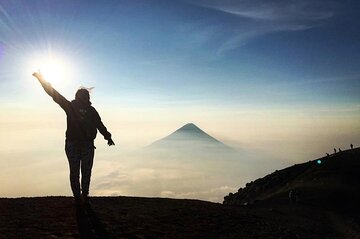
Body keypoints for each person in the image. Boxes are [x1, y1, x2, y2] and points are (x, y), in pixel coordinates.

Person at [32, 71, 115, 205]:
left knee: (75, 172)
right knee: (84, 172)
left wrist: (41, 80)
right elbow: (100, 125)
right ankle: (83, 197)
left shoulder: (71, 107)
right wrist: (108, 137)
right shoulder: (88, 110)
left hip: (74, 144)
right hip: (84, 145)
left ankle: (79, 197)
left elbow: (54, 94)